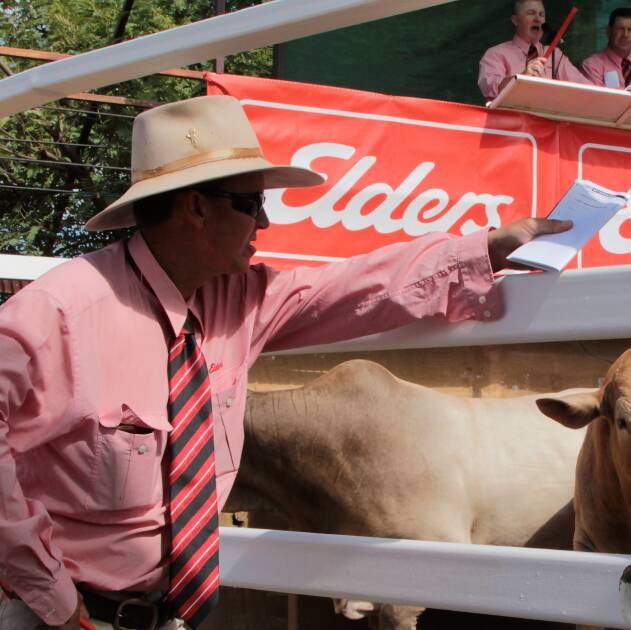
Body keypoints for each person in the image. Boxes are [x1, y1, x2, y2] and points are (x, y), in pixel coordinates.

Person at [0, 95, 568, 630]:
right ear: (195, 208)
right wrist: (52, 594)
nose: (264, 224)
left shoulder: (239, 300)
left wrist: (485, 249)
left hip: (165, 612)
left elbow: (355, 286)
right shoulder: (59, 313)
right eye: (251, 204)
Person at [477, 0, 591, 101]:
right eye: (531, 13)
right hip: (512, 122)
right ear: (515, 20)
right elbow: (490, 88)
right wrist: (522, 77)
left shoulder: (555, 55)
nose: (538, 19)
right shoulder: (496, 54)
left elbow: (585, 88)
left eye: (541, 15)